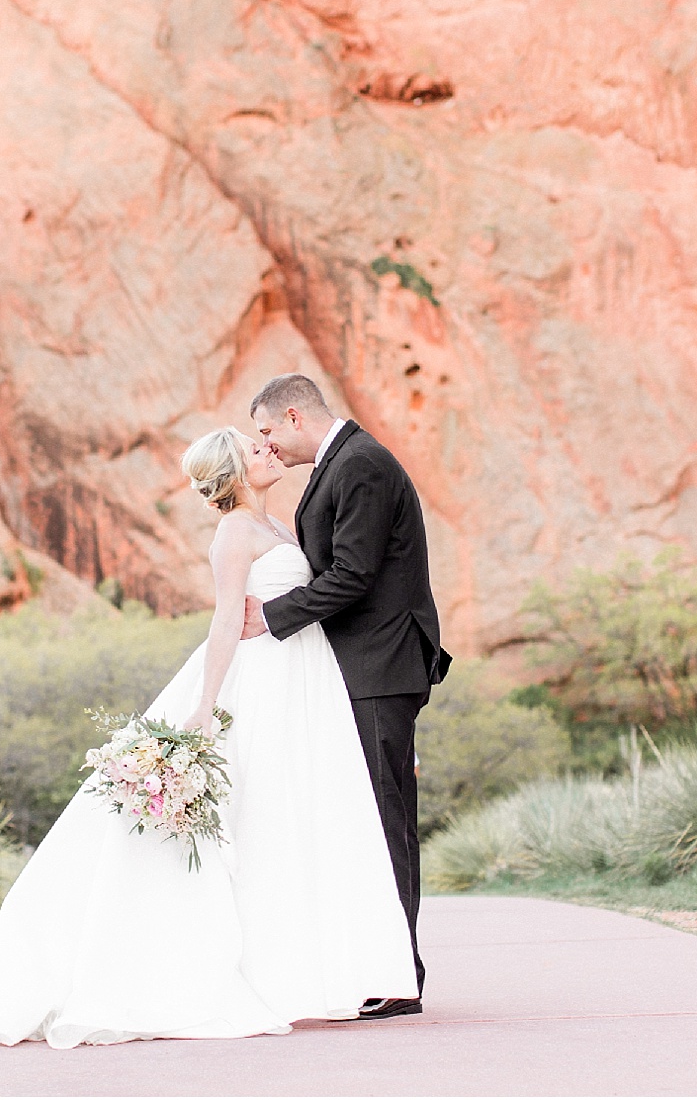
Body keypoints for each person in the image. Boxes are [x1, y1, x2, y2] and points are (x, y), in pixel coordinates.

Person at [0, 426, 417, 1049]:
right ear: (233, 473)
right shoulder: (234, 533)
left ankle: (299, 970)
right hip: (260, 683)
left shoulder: (278, 525)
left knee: (292, 818)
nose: (267, 451)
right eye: (253, 449)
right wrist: (204, 708)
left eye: (264, 444)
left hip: (301, 679)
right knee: (258, 817)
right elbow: (227, 617)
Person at [244, 374, 450, 1019]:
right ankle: (374, 962)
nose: (267, 446)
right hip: (357, 667)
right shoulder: (341, 462)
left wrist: (275, 616)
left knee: (385, 818)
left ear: (296, 415)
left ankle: (398, 976)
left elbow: (355, 574)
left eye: (269, 431)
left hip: (380, 667)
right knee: (363, 819)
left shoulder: (360, 464)